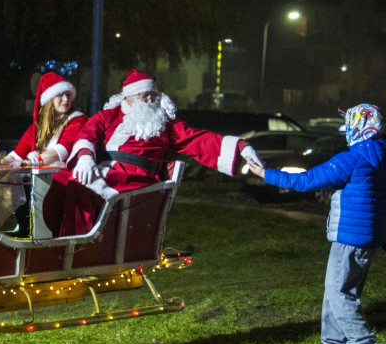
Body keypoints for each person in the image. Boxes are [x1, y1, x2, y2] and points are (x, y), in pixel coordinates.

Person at [246, 103, 386, 344]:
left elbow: (305, 181)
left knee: (340, 293)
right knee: (336, 291)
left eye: (348, 123)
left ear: (357, 127)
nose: (345, 129)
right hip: (371, 237)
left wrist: (264, 173)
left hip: (348, 237)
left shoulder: (351, 158)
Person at [52, 69, 263, 237]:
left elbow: (197, 138)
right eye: (146, 96)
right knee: (56, 179)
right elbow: (86, 134)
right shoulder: (108, 115)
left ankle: (76, 243)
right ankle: (51, 237)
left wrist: (242, 147)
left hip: (139, 178)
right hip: (110, 171)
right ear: (129, 97)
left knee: (80, 184)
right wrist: (85, 158)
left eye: (154, 96)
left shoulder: (165, 123)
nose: (152, 102)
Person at [0, 73, 86, 237]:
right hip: (41, 174)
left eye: (68, 95)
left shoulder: (76, 120)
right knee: (4, 178)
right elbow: (15, 156)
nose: (66, 100)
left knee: (23, 176)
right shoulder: (36, 128)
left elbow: (60, 151)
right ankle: (16, 227)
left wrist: (28, 162)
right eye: (60, 95)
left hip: (64, 176)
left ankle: (33, 231)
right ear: (49, 99)